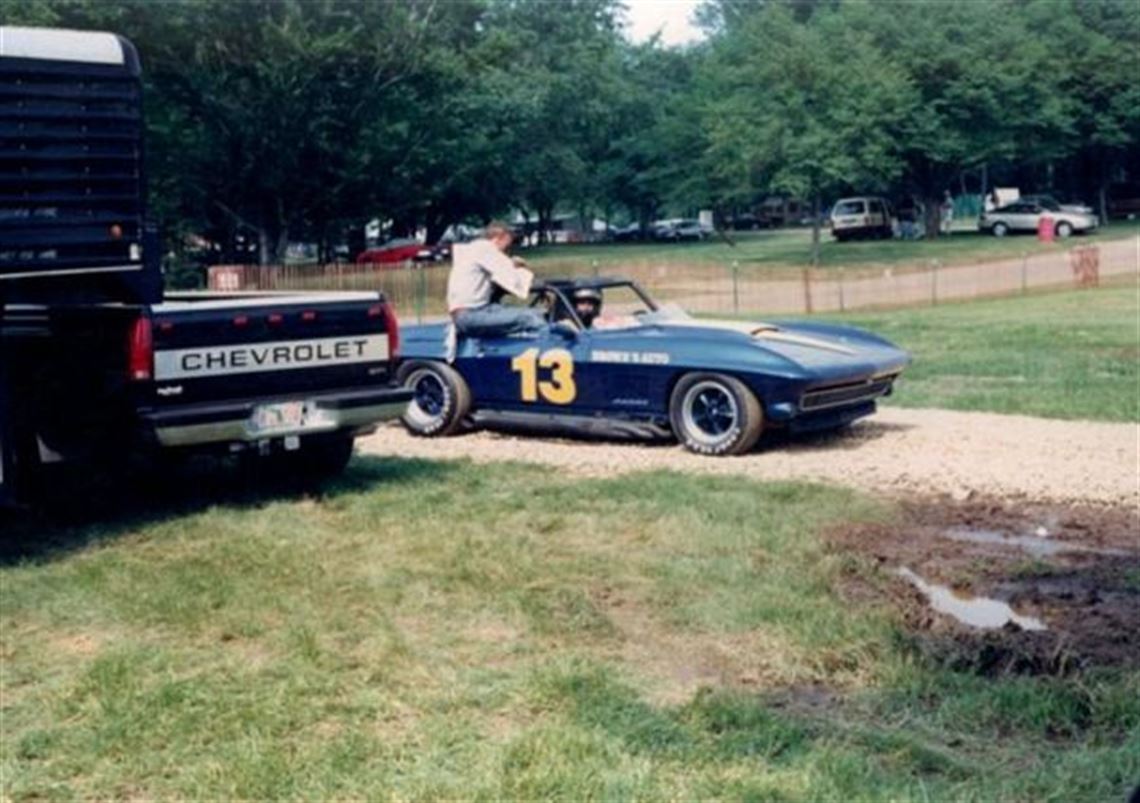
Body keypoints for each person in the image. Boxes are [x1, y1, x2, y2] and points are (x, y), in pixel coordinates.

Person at [447, 221, 544, 338]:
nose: (506, 251)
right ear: (498, 238)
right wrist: (524, 271)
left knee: (537, 313)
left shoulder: (473, 250)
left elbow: (501, 271)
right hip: (470, 315)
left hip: (474, 311)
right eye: (507, 246)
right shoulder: (484, 249)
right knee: (528, 317)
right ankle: (551, 343)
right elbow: (511, 276)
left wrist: (512, 265)